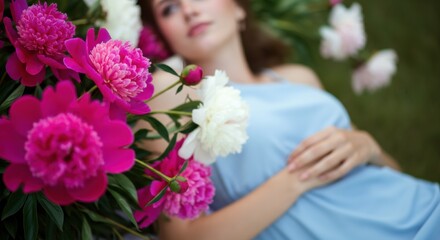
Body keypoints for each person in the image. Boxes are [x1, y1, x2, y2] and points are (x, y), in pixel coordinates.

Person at [136, 0, 440, 239]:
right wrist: (296, 180)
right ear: (164, 36)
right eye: (169, 8)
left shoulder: (297, 78)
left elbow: (394, 173)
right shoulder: (173, 100)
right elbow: (182, 237)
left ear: (239, 8)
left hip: (422, 206)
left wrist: (368, 146)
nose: (189, 9)